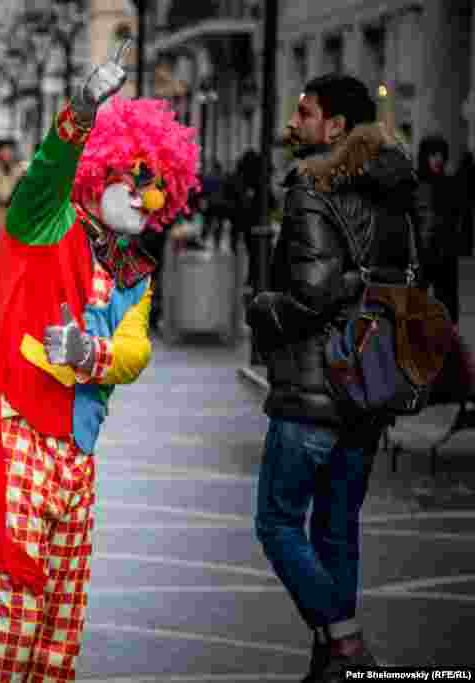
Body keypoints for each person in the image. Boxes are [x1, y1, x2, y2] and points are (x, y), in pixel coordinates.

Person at [0, 44, 200, 682]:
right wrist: (83, 107)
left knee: (59, 630)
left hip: (77, 452)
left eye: (158, 191)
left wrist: (95, 353)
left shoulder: (134, 273)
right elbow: (46, 169)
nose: (146, 200)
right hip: (16, 436)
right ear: (105, 171)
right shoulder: (46, 223)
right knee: (6, 619)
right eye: (137, 179)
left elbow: (136, 349)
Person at [246, 74, 419, 681]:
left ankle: (343, 643)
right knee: (337, 527)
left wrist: (261, 307)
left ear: (337, 127)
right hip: (368, 381)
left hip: (314, 386)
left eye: (306, 112)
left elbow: (311, 294)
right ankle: (334, 666)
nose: (294, 122)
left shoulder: (311, 187)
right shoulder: (393, 187)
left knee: (276, 523)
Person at [416, 135, 459, 324]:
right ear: (425, 156)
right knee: (416, 301)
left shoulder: (450, 184)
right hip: (421, 252)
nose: (438, 159)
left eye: (441, 155)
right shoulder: (414, 183)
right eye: (433, 155)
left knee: (447, 301)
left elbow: (456, 216)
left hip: (445, 251)